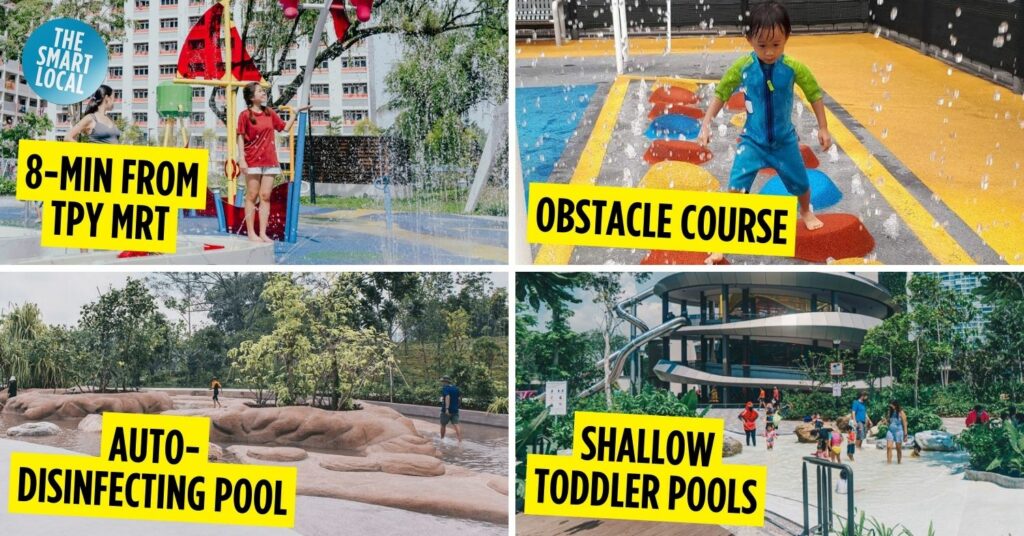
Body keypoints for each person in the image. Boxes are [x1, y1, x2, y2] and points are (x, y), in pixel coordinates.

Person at [698, 1, 832, 264]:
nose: (769, 52)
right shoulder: (743, 67)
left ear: (787, 38)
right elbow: (722, 92)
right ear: (749, 40)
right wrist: (706, 122)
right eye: (762, 45)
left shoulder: (794, 68)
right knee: (736, 190)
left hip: (784, 141)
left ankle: (805, 211)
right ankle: (722, 242)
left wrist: (823, 127)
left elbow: (814, 94)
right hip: (752, 141)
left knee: (800, 182)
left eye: (776, 45)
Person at [237, 82, 310, 243]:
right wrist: (241, 159)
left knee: (265, 196)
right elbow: (240, 137)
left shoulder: (269, 113)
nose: (264, 93)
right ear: (251, 97)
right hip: (252, 160)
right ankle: (251, 233)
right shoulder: (244, 115)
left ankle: (263, 233)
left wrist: (295, 113)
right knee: (252, 195)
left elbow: (284, 128)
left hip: (270, 161)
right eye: (260, 91)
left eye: (264, 91)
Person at [885, 400, 909, 465]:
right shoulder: (890, 412)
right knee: (889, 447)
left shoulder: (901, 413)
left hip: (899, 432)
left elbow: (905, 423)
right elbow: (888, 421)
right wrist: (885, 421)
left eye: (891, 405)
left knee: (898, 448)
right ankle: (888, 464)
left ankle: (899, 463)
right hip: (890, 431)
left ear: (895, 405)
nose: (890, 406)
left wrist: (905, 434)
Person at [440, 376, 462, 443]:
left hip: (446, 411)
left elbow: (447, 396)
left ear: (445, 382)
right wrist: (457, 406)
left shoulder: (445, 388)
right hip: (455, 410)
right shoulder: (456, 388)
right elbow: (460, 398)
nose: (442, 383)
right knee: (456, 424)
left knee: (443, 425)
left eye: (443, 382)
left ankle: (442, 439)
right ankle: (460, 441)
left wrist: (447, 408)